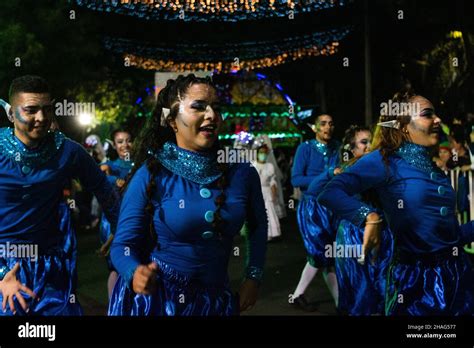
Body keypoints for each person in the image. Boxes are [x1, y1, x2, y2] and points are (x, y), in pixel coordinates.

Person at [108, 74, 267, 316]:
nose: (212, 115)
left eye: (216, 108)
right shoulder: (151, 174)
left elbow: (257, 227)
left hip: (216, 303)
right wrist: (134, 272)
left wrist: (253, 276)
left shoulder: (242, 172)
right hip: (158, 303)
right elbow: (122, 245)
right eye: (199, 107)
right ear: (172, 121)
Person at [318, 89, 474, 315]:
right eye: (428, 114)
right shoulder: (383, 161)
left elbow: (448, 238)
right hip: (417, 284)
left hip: (458, 277)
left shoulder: (433, 167)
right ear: (402, 125)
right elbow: (331, 192)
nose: (438, 119)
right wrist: (369, 218)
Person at [0, 75, 119, 315]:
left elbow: (104, 189)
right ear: (11, 114)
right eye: (31, 110)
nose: (42, 118)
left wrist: (120, 231)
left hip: (51, 268)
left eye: (47, 109)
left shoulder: (67, 150)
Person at [307, 125, 393, 315]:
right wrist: (332, 172)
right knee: (359, 293)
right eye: (364, 143)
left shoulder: (382, 166)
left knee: (384, 289)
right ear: (352, 149)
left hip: (383, 234)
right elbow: (314, 190)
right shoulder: (349, 170)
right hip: (353, 237)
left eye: (371, 141)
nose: (370, 146)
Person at [290, 114, 340, 311]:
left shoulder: (336, 147)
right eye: (323, 123)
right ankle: (338, 303)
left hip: (332, 207)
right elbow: (296, 180)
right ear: (315, 128)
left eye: (331, 123)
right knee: (320, 253)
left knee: (329, 256)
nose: (328, 127)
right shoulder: (305, 148)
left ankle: (300, 296)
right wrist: (325, 176)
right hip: (312, 208)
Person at [99, 129, 134, 298]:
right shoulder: (109, 166)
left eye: (128, 140)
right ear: (114, 145)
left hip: (136, 221)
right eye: (120, 142)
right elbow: (96, 177)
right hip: (114, 222)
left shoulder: (141, 165)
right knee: (115, 266)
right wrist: (113, 180)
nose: (125, 145)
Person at [252, 144, 282, 242]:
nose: (263, 155)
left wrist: (274, 194)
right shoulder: (252, 164)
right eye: (261, 153)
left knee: (268, 212)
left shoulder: (270, 166)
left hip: (267, 192)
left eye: (264, 153)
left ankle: (269, 234)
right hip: (255, 192)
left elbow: (273, 182)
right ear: (257, 154)